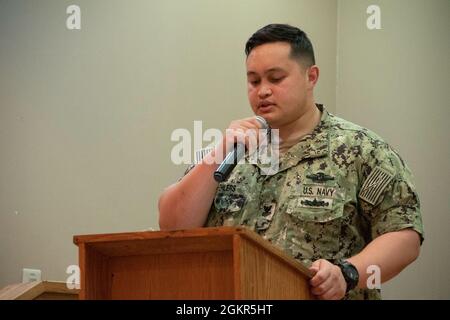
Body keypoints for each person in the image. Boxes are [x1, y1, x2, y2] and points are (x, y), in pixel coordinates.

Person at [158, 24, 424, 300]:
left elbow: (404, 235)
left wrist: (347, 274)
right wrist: (220, 149)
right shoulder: (229, 152)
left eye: (275, 78)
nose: (262, 91)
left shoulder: (361, 149)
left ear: (311, 77)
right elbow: (172, 226)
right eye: (254, 81)